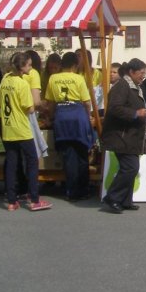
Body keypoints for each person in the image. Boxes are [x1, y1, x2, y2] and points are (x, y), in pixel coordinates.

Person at [101, 59, 146, 214]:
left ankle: (125, 200)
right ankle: (112, 197)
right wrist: (134, 114)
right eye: (141, 73)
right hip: (121, 136)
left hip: (131, 136)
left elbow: (141, 111)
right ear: (131, 72)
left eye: (144, 73)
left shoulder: (134, 87)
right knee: (130, 167)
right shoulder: (122, 86)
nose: (143, 76)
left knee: (131, 168)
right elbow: (115, 108)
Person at [0, 52, 52, 212]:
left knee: (12, 162)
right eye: (28, 64)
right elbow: (31, 107)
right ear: (22, 67)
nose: (31, 67)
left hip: (7, 127)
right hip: (21, 127)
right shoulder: (22, 84)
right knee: (32, 160)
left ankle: (12, 200)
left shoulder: (5, 80)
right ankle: (34, 198)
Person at [44, 51, 95, 201]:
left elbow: (50, 102)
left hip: (62, 115)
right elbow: (86, 102)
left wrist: (52, 117)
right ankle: (83, 189)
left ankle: (71, 190)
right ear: (75, 65)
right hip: (77, 115)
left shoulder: (53, 78)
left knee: (68, 155)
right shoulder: (78, 78)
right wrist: (88, 116)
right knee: (82, 153)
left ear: (62, 64)